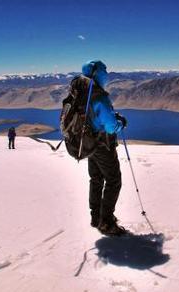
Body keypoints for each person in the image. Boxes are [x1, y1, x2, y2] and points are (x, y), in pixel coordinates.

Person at [63, 60, 128, 236]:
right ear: (97, 73)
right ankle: (106, 222)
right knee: (114, 181)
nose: (107, 73)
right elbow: (110, 126)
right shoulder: (98, 95)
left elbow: (92, 116)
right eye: (104, 70)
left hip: (89, 143)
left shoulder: (80, 92)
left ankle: (96, 217)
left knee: (96, 179)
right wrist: (120, 122)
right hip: (102, 145)